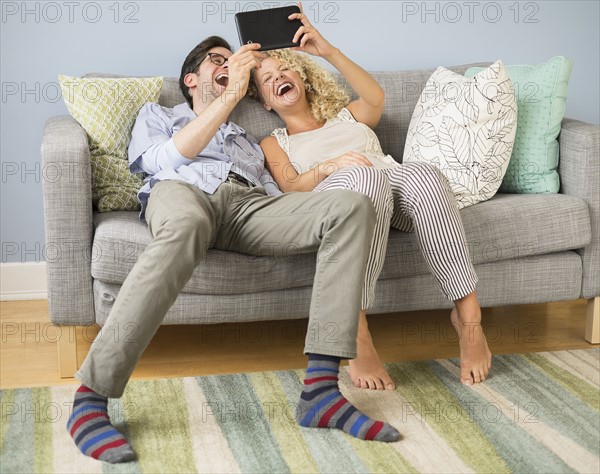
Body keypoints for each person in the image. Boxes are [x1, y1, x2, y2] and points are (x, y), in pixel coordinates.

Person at [66, 36, 401, 464]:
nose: (229, 66)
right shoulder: (160, 114)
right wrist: (228, 96)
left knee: (350, 206)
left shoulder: (245, 137)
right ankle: (90, 399)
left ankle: (321, 392)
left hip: (247, 207)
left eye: (233, 62)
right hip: (183, 191)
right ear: (191, 78)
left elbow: (273, 193)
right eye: (218, 61)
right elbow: (163, 161)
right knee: (186, 224)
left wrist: (321, 183)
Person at [252, 6, 492, 391]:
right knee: (364, 178)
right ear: (265, 101)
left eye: (285, 69)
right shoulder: (274, 142)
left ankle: (468, 319)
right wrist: (330, 166)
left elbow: (375, 95)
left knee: (424, 173)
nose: (278, 76)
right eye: (267, 79)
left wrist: (326, 50)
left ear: (302, 77)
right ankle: (356, 328)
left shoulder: (348, 115)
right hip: (336, 196)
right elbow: (291, 187)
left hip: (390, 183)